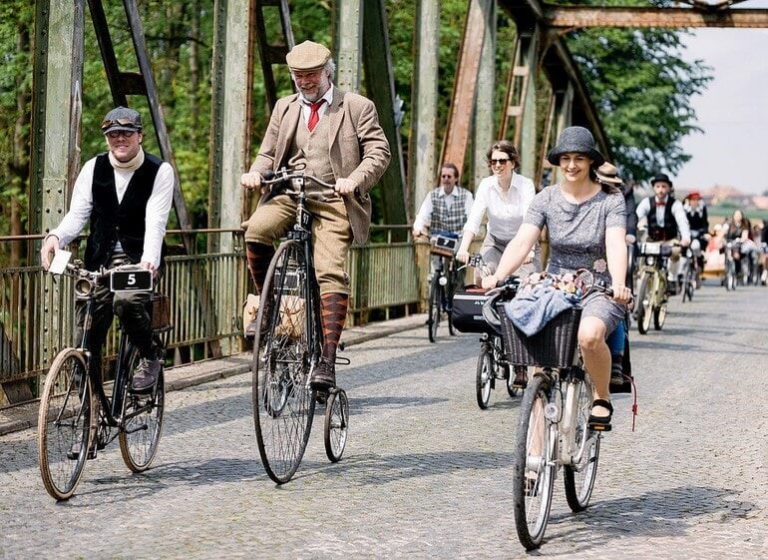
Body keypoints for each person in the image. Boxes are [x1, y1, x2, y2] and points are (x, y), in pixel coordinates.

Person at [240, 40, 391, 391]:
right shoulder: (284, 107)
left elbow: (379, 152)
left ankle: (326, 360)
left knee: (330, 271)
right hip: (290, 193)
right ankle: (269, 304)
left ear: (327, 73)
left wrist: (354, 180)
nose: (305, 83)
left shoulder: (355, 106)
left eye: (310, 76)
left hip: (334, 200)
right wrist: (255, 172)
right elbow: (267, 153)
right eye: (298, 77)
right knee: (256, 231)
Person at [482, 126, 632, 430]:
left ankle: (602, 398)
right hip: (556, 284)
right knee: (540, 363)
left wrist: (619, 282)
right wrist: (498, 275)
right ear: (558, 162)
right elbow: (523, 240)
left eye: (579, 158)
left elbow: (615, 242)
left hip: (598, 286)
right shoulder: (546, 199)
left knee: (589, 336)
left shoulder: (609, 200)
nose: (572, 165)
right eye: (565, 159)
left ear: (591, 161)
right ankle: (535, 464)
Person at [40, 106, 174, 393]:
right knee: (85, 340)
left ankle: (151, 356)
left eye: (126, 133)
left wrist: (149, 260)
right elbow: (77, 215)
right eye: (113, 135)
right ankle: (89, 414)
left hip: (136, 261)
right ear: (106, 139)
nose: (120, 139)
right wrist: (56, 237)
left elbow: (156, 220)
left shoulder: (158, 171)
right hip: (98, 262)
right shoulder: (93, 168)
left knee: (125, 302)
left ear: (140, 136)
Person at [456, 140, 537, 285]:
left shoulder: (526, 185)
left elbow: (530, 219)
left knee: (528, 282)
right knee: (483, 277)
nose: (497, 165)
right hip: (495, 243)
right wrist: (463, 248)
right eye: (493, 162)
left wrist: (529, 250)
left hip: (522, 242)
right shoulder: (486, 185)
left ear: (512, 163)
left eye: (502, 161)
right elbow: (474, 219)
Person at [595, 162, 633, 387]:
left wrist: (629, 235)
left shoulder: (620, 198)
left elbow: (629, 221)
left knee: (615, 308)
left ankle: (616, 362)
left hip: (613, 258)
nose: (605, 187)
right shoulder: (584, 196)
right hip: (586, 263)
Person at [635, 173, 691, 292]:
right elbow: (636, 216)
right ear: (654, 188)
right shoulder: (646, 202)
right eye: (658, 186)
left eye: (664, 186)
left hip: (670, 240)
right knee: (640, 255)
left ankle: (672, 279)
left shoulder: (675, 204)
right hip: (652, 240)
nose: (661, 190)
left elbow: (682, 221)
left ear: (669, 188)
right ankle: (642, 283)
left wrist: (685, 238)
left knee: (675, 253)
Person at [412, 163, 473, 238]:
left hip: (458, 241)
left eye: (449, 176)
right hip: (436, 241)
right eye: (443, 176)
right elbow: (422, 216)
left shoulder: (466, 196)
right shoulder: (432, 195)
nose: (446, 179)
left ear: (456, 178)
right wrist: (418, 228)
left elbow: (472, 218)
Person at [684, 190, 709, 273]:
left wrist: (705, 232)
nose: (695, 202)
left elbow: (705, 223)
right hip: (686, 233)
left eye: (697, 200)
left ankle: (699, 262)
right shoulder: (685, 209)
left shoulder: (701, 210)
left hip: (698, 234)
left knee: (696, 246)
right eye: (693, 200)